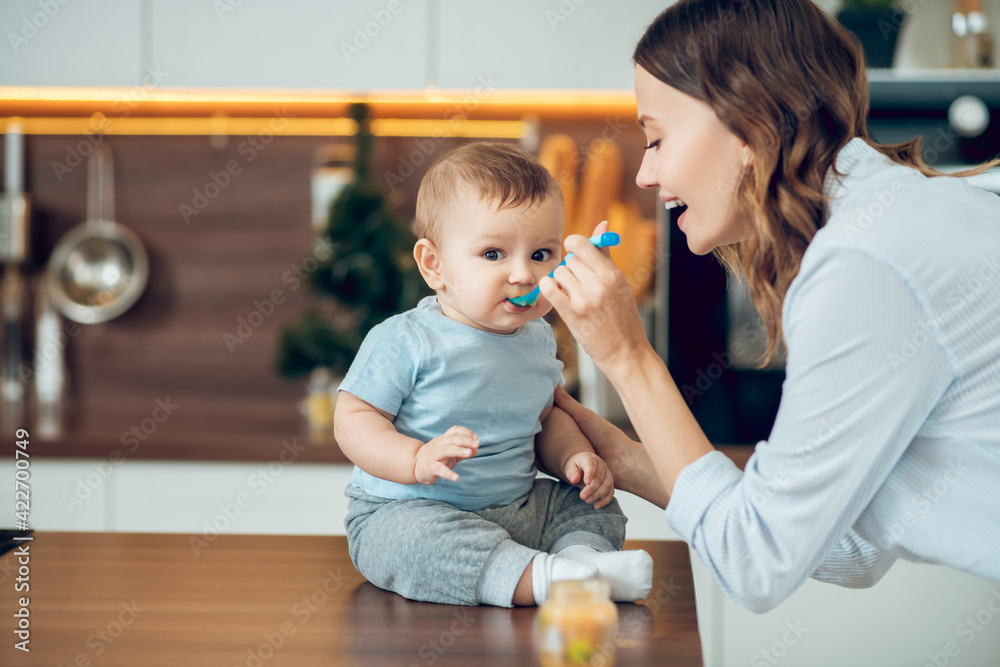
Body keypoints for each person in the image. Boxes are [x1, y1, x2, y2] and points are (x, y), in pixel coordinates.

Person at [540, 0, 1000, 613]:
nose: (646, 173)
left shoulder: (866, 262)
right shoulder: (884, 224)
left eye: (657, 138)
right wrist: (631, 462)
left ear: (747, 123)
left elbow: (755, 564)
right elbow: (849, 546)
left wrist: (626, 355)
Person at [335, 142, 653, 608]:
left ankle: (581, 559)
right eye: (493, 254)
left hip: (518, 509)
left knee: (588, 502)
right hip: (413, 509)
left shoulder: (538, 338)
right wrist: (415, 458)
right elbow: (354, 419)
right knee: (410, 541)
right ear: (434, 265)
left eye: (541, 253)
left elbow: (546, 418)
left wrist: (574, 457)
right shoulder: (407, 338)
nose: (523, 274)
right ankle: (555, 580)